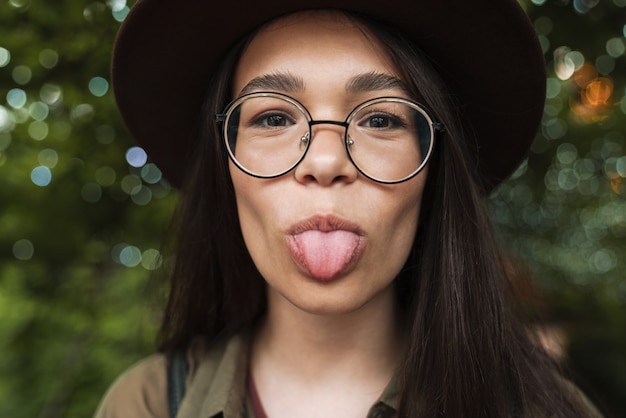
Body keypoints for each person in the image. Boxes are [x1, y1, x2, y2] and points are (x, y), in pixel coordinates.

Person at [95, 0, 604, 417]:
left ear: (433, 170)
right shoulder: (145, 405)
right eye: (272, 117)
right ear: (225, 170)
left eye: (381, 120)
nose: (325, 160)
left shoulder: (544, 410)